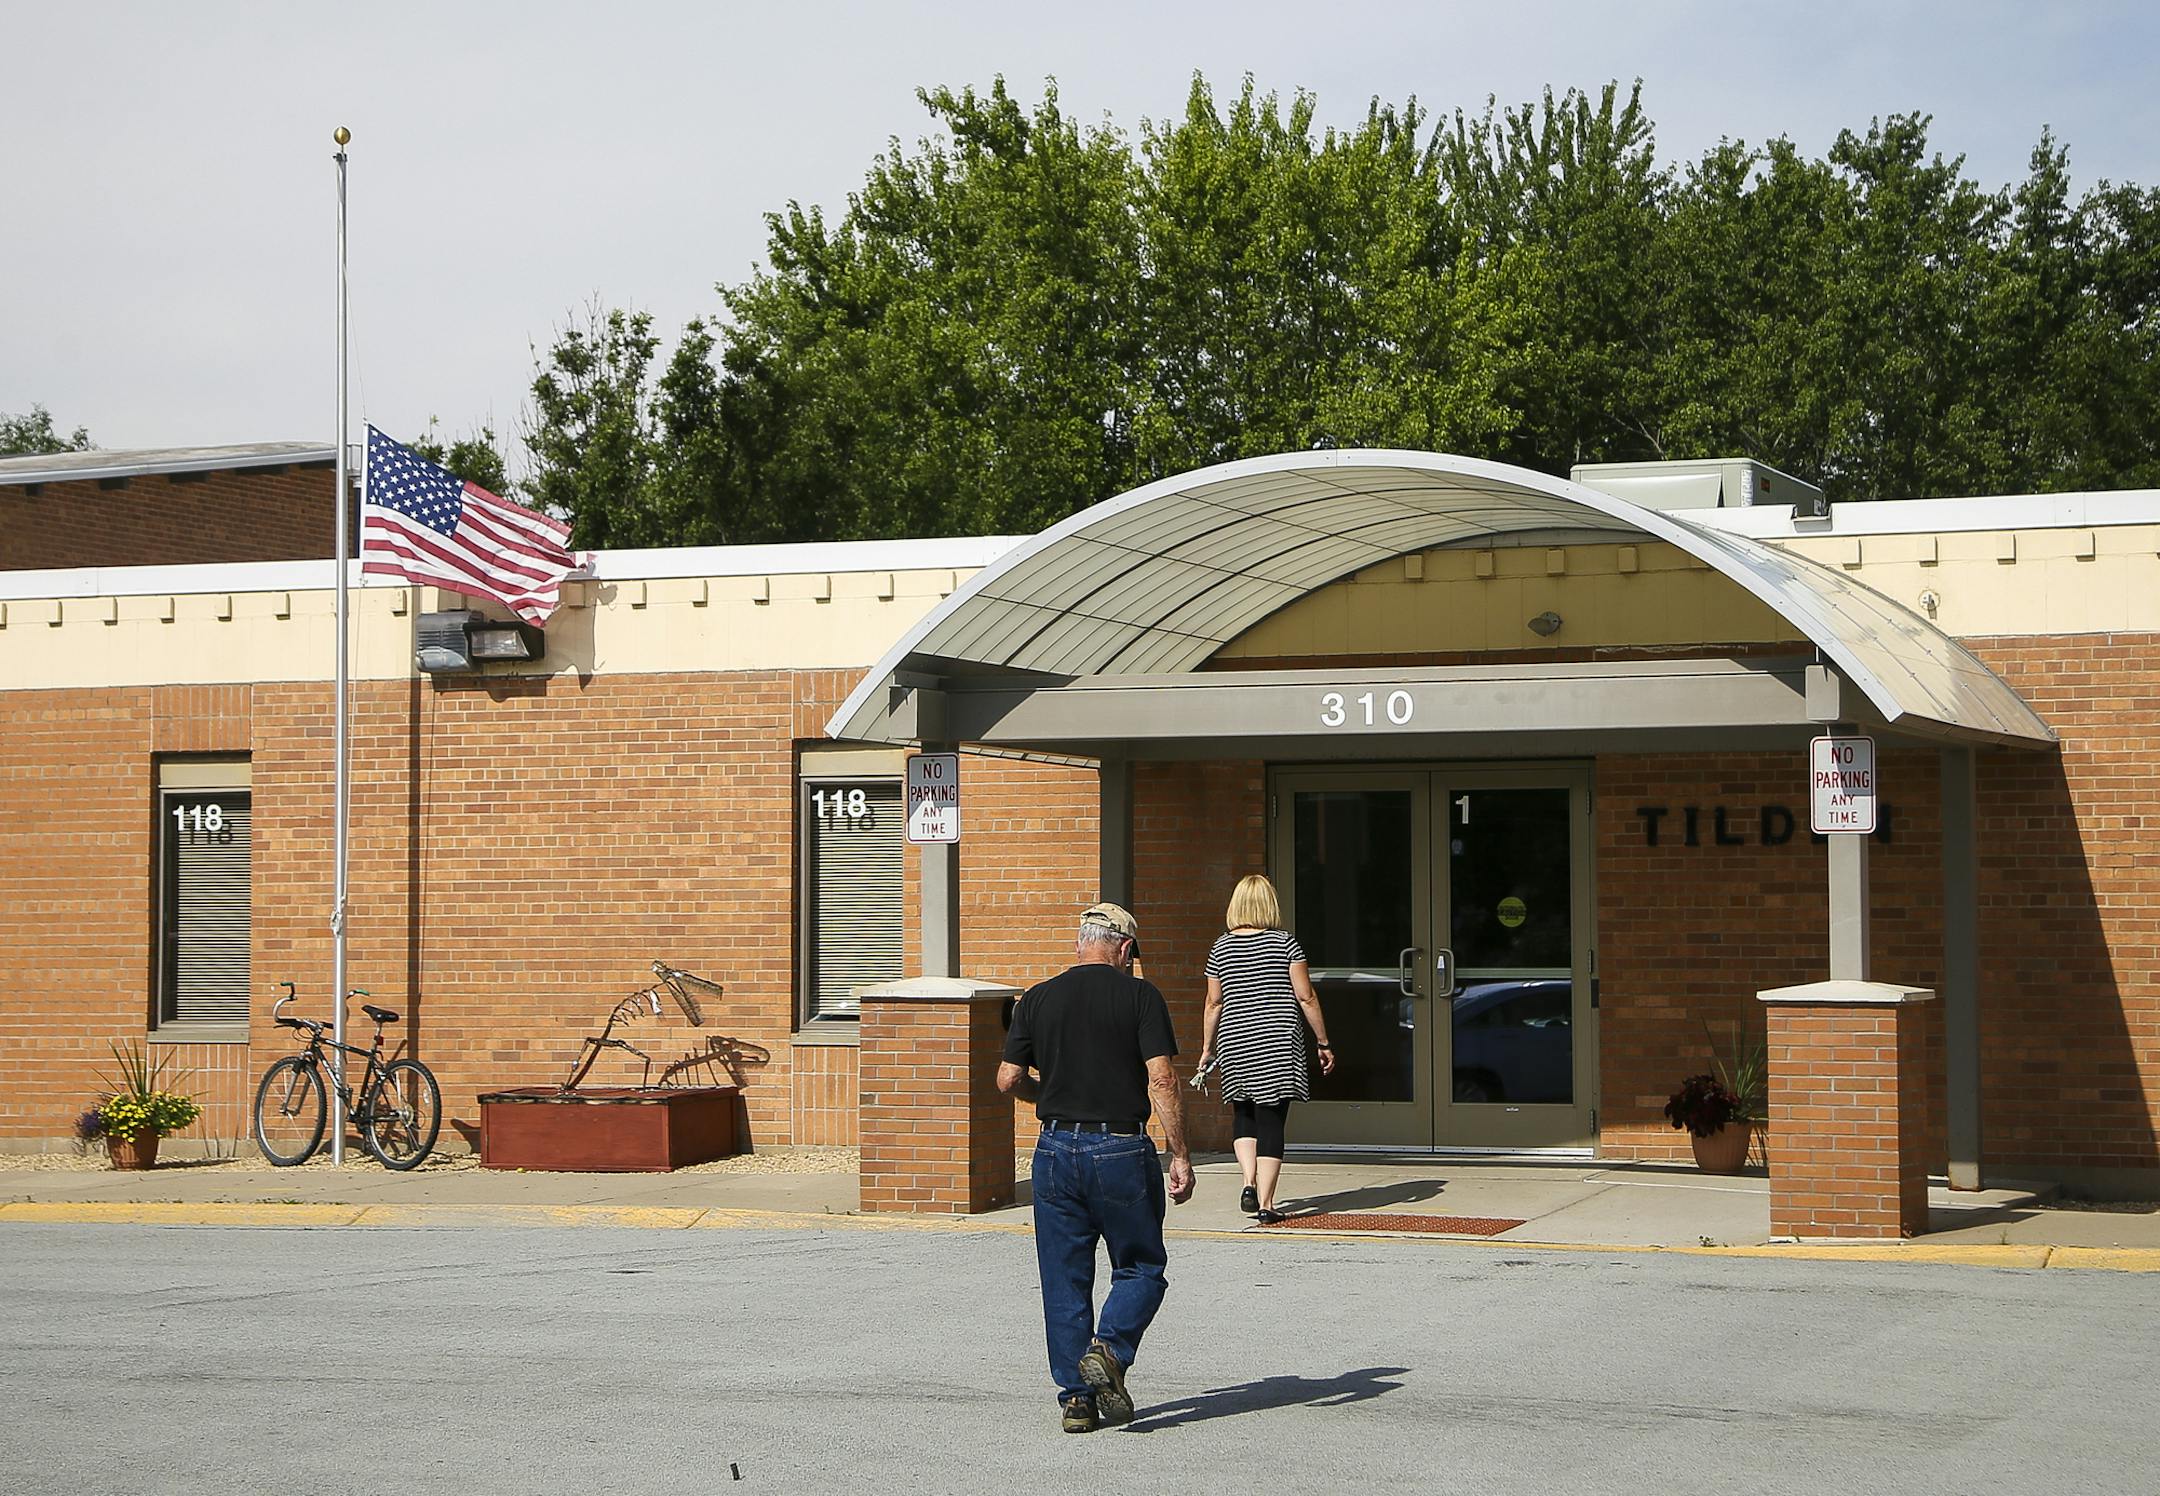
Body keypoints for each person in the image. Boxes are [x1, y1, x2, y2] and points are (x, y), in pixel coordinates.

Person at [998, 901, 1195, 1434]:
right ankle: (1108, 1349)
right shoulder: (1139, 996)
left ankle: (1077, 1401)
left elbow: (1008, 1080)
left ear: (1080, 943)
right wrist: (1180, 1154)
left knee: (1064, 1278)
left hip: (1055, 1149)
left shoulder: (1036, 999)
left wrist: (1051, 1097)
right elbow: (1162, 1080)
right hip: (1120, 1149)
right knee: (1141, 1267)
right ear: (1125, 949)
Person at [1197, 874, 1335, 1224]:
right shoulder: (1286, 944)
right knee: (1271, 1119)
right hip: (1277, 1041)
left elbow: (1214, 1003)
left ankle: (1247, 1181)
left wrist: (1207, 1048)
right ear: (1269, 904)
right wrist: (1323, 1041)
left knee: (1243, 1113)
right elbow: (1306, 996)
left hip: (1235, 1038)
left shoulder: (1220, 947)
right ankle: (1267, 1202)